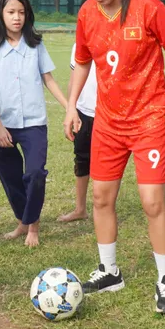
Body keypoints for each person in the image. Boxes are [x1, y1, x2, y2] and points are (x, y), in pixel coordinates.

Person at [63, 0, 165, 316]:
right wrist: (72, 106)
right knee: (102, 199)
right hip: (107, 123)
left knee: (152, 202)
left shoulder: (149, 7)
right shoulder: (87, 14)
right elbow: (83, 61)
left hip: (150, 119)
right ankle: (109, 271)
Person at [0, 0, 68, 247]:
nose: (17, 17)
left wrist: (68, 107)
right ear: (1, 14)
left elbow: (48, 78)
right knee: (9, 175)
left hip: (33, 123)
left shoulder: (35, 44)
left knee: (35, 174)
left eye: (21, 12)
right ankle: (22, 221)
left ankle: (33, 226)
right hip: (4, 124)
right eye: (11, 12)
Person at [58, 43, 97, 224]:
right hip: (83, 111)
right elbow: (73, 80)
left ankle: (103, 208)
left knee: (106, 163)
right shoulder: (78, 45)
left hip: (109, 113)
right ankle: (80, 209)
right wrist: (71, 110)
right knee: (82, 158)